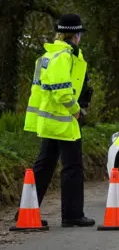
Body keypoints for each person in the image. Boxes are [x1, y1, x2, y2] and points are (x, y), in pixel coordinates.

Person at [16, 13, 95, 227]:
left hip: (49, 121)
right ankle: (72, 215)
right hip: (63, 120)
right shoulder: (64, 57)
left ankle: (25, 212)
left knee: (44, 167)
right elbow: (62, 92)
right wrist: (77, 111)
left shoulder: (47, 56)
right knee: (72, 167)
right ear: (76, 35)